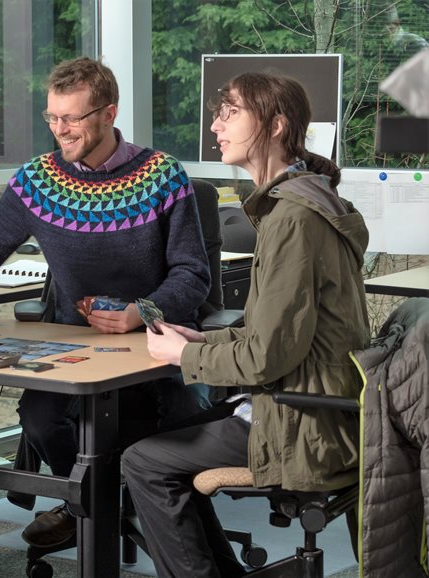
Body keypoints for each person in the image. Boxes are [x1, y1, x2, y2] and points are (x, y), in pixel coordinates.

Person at [0, 56, 211, 548]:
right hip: (74, 345)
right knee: (40, 419)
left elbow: (193, 275)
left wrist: (142, 312)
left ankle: (113, 505)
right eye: (52, 117)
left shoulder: (163, 176)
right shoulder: (38, 180)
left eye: (71, 118)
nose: (60, 129)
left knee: (173, 419)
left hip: (154, 344)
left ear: (108, 113)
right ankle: (96, 504)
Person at [121, 71, 371, 578]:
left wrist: (182, 356)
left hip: (301, 424)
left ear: (276, 125)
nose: (216, 124)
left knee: (142, 462)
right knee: (161, 435)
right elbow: (278, 332)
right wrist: (204, 340)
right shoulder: (307, 202)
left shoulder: (292, 219)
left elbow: (266, 357)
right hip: (318, 408)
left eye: (231, 112)